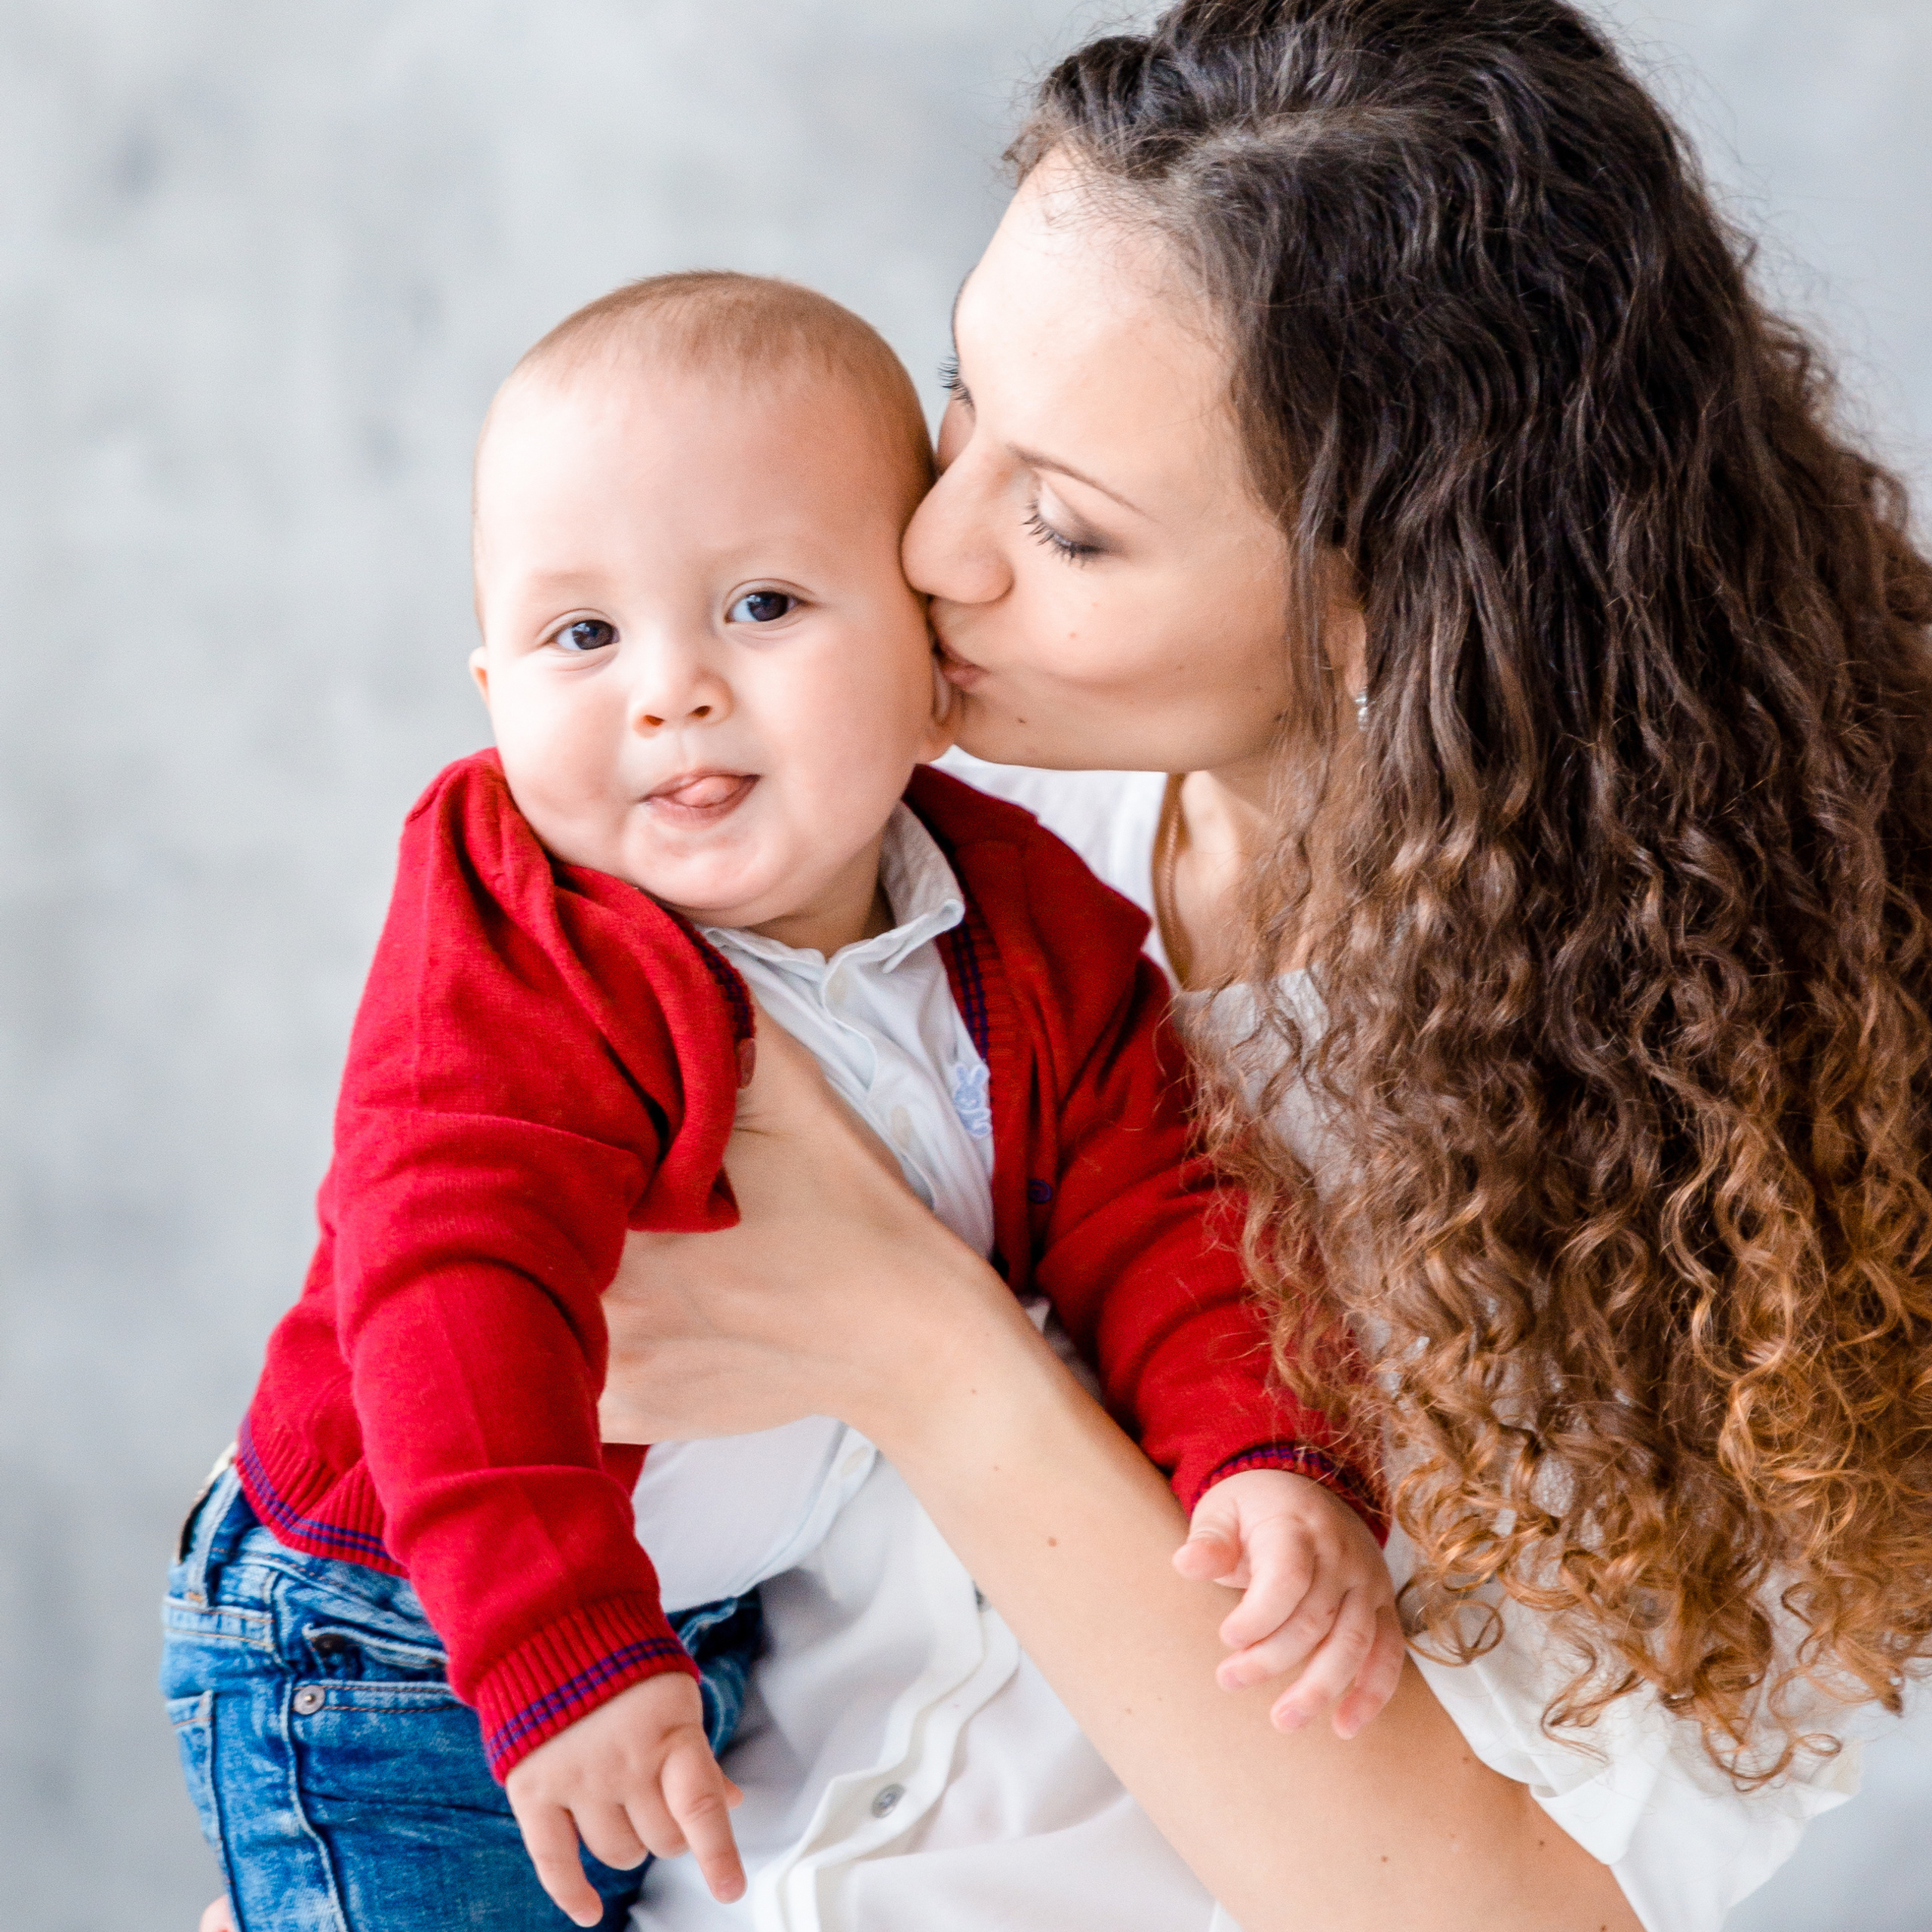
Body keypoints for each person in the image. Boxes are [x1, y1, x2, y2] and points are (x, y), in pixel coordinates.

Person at [573, 4, 1932, 1931]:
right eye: (961, 400)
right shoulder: (893, 788)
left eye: (1065, 527)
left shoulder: (1734, 1127)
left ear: (1396, 605)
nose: (930, 547)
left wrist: (927, 1356)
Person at [162, 269, 1394, 1932]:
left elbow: (1159, 1204)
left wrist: (1257, 1448)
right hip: (411, 1632)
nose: (668, 689)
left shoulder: (1026, 917)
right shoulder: (518, 932)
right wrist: (559, 1647)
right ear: (492, 689)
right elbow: (449, 1295)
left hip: (683, 1613)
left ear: (933, 659)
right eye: (582, 636)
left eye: (761, 605)